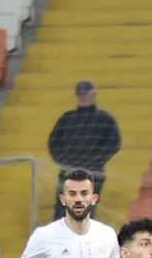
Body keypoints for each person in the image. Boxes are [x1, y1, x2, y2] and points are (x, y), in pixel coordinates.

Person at [48, 80, 121, 220]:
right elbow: (53, 143)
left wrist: (95, 161)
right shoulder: (67, 118)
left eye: (84, 94)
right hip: (69, 172)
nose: (82, 97)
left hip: (93, 173)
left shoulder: (104, 119)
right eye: (79, 94)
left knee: (85, 214)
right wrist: (65, 161)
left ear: (93, 94)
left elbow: (114, 143)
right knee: (62, 214)